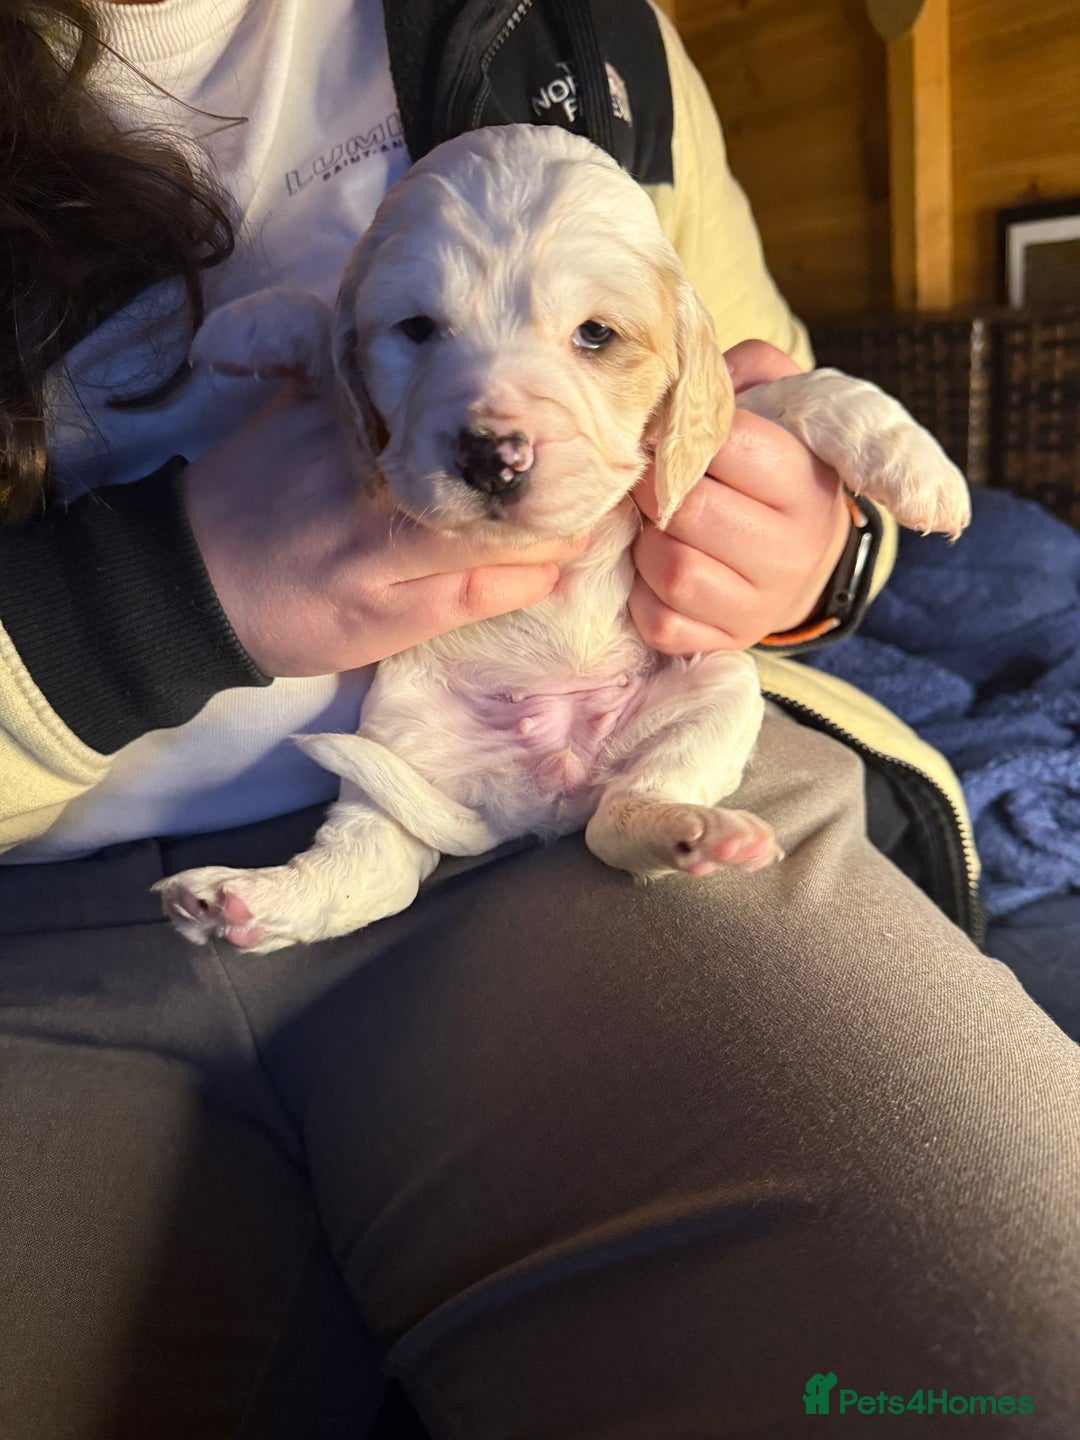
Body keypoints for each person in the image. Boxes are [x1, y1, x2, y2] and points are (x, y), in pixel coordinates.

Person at [1, 2, 1078, 1437]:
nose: (496, 416)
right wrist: (159, 589)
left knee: (1009, 1352)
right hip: (50, 913)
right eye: (419, 330)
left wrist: (814, 559)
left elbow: (754, 373)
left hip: (588, 825)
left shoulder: (587, 24)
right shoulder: (317, 341)